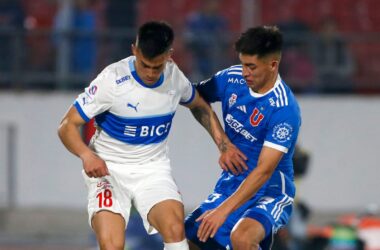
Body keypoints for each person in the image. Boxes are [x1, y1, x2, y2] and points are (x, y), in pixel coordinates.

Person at [57, 21, 246, 250]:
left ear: (169, 55)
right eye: (144, 64)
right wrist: (87, 155)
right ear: (134, 50)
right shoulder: (112, 80)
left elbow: (200, 106)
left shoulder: (174, 77)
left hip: (153, 170)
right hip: (109, 171)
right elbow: (67, 125)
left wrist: (223, 145)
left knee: (176, 232)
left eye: (157, 67)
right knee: (112, 244)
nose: (149, 73)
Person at [185, 26, 302, 249]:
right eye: (242, 64)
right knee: (186, 239)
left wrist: (221, 211)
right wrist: (223, 144)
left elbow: (263, 171)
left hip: (270, 191)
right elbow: (195, 99)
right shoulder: (232, 79)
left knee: (242, 238)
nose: (245, 72)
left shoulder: (284, 110)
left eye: (251, 66)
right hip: (232, 184)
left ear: (273, 65)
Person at [183, 0, 230, 81]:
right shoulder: (194, 20)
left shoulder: (220, 21)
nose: (214, 5)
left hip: (216, 62)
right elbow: (188, 41)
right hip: (198, 62)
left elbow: (226, 40)